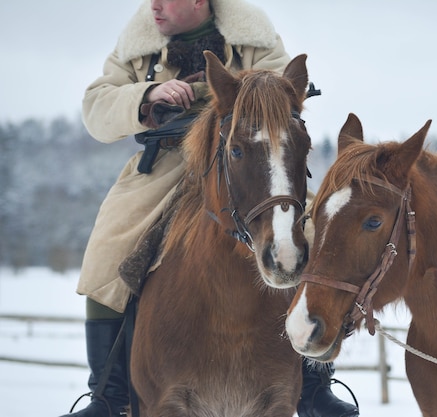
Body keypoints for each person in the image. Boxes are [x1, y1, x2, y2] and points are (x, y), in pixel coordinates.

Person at [61, 1, 359, 417]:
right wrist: (148, 94)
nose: (155, 7)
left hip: (247, 164)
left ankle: (313, 387)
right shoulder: (137, 45)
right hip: (166, 165)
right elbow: (97, 108)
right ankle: (108, 397)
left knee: (313, 235)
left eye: (166, 0)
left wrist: (210, 92)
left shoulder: (253, 36)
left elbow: (280, 90)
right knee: (109, 243)